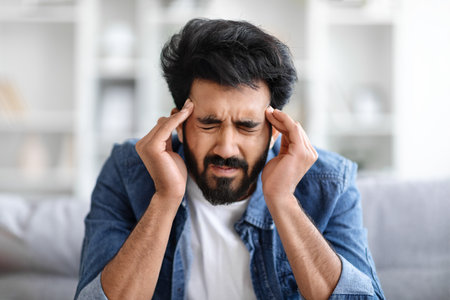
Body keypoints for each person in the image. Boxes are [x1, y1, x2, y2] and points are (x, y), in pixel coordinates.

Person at [75, 18, 385, 300]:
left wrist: (283, 200)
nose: (226, 147)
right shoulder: (128, 170)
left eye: (247, 127)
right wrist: (165, 198)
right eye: (208, 123)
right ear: (179, 125)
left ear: (275, 131)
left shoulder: (331, 183)